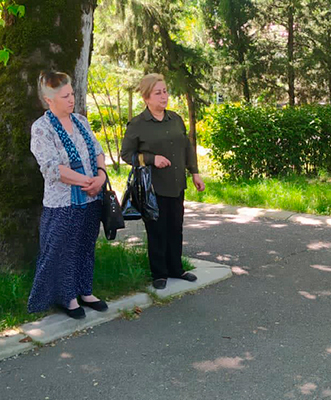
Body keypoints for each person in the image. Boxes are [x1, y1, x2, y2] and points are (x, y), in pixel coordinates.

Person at [28, 71, 109, 319]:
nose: (71, 99)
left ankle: (85, 291)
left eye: (72, 94)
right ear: (49, 100)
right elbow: (52, 168)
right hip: (62, 203)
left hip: (91, 198)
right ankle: (67, 298)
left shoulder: (81, 121)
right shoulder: (42, 128)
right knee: (62, 250)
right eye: (65, 96)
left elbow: (98, 151)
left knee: (85, 246)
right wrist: (87, 182)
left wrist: (101, 177)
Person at [121, 73, 205, 290]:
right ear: (146, 97)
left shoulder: (175, 119)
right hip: (153, 188)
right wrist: (151, 159)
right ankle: (159, 273)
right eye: (158, 93)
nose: (163, 96)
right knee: (157, 231)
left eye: (165, 91)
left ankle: (176, 268)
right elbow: (126, 154)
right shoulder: (138, 124)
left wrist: (194, 172)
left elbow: (187, 147)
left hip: (176, 185)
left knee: (175, 228)